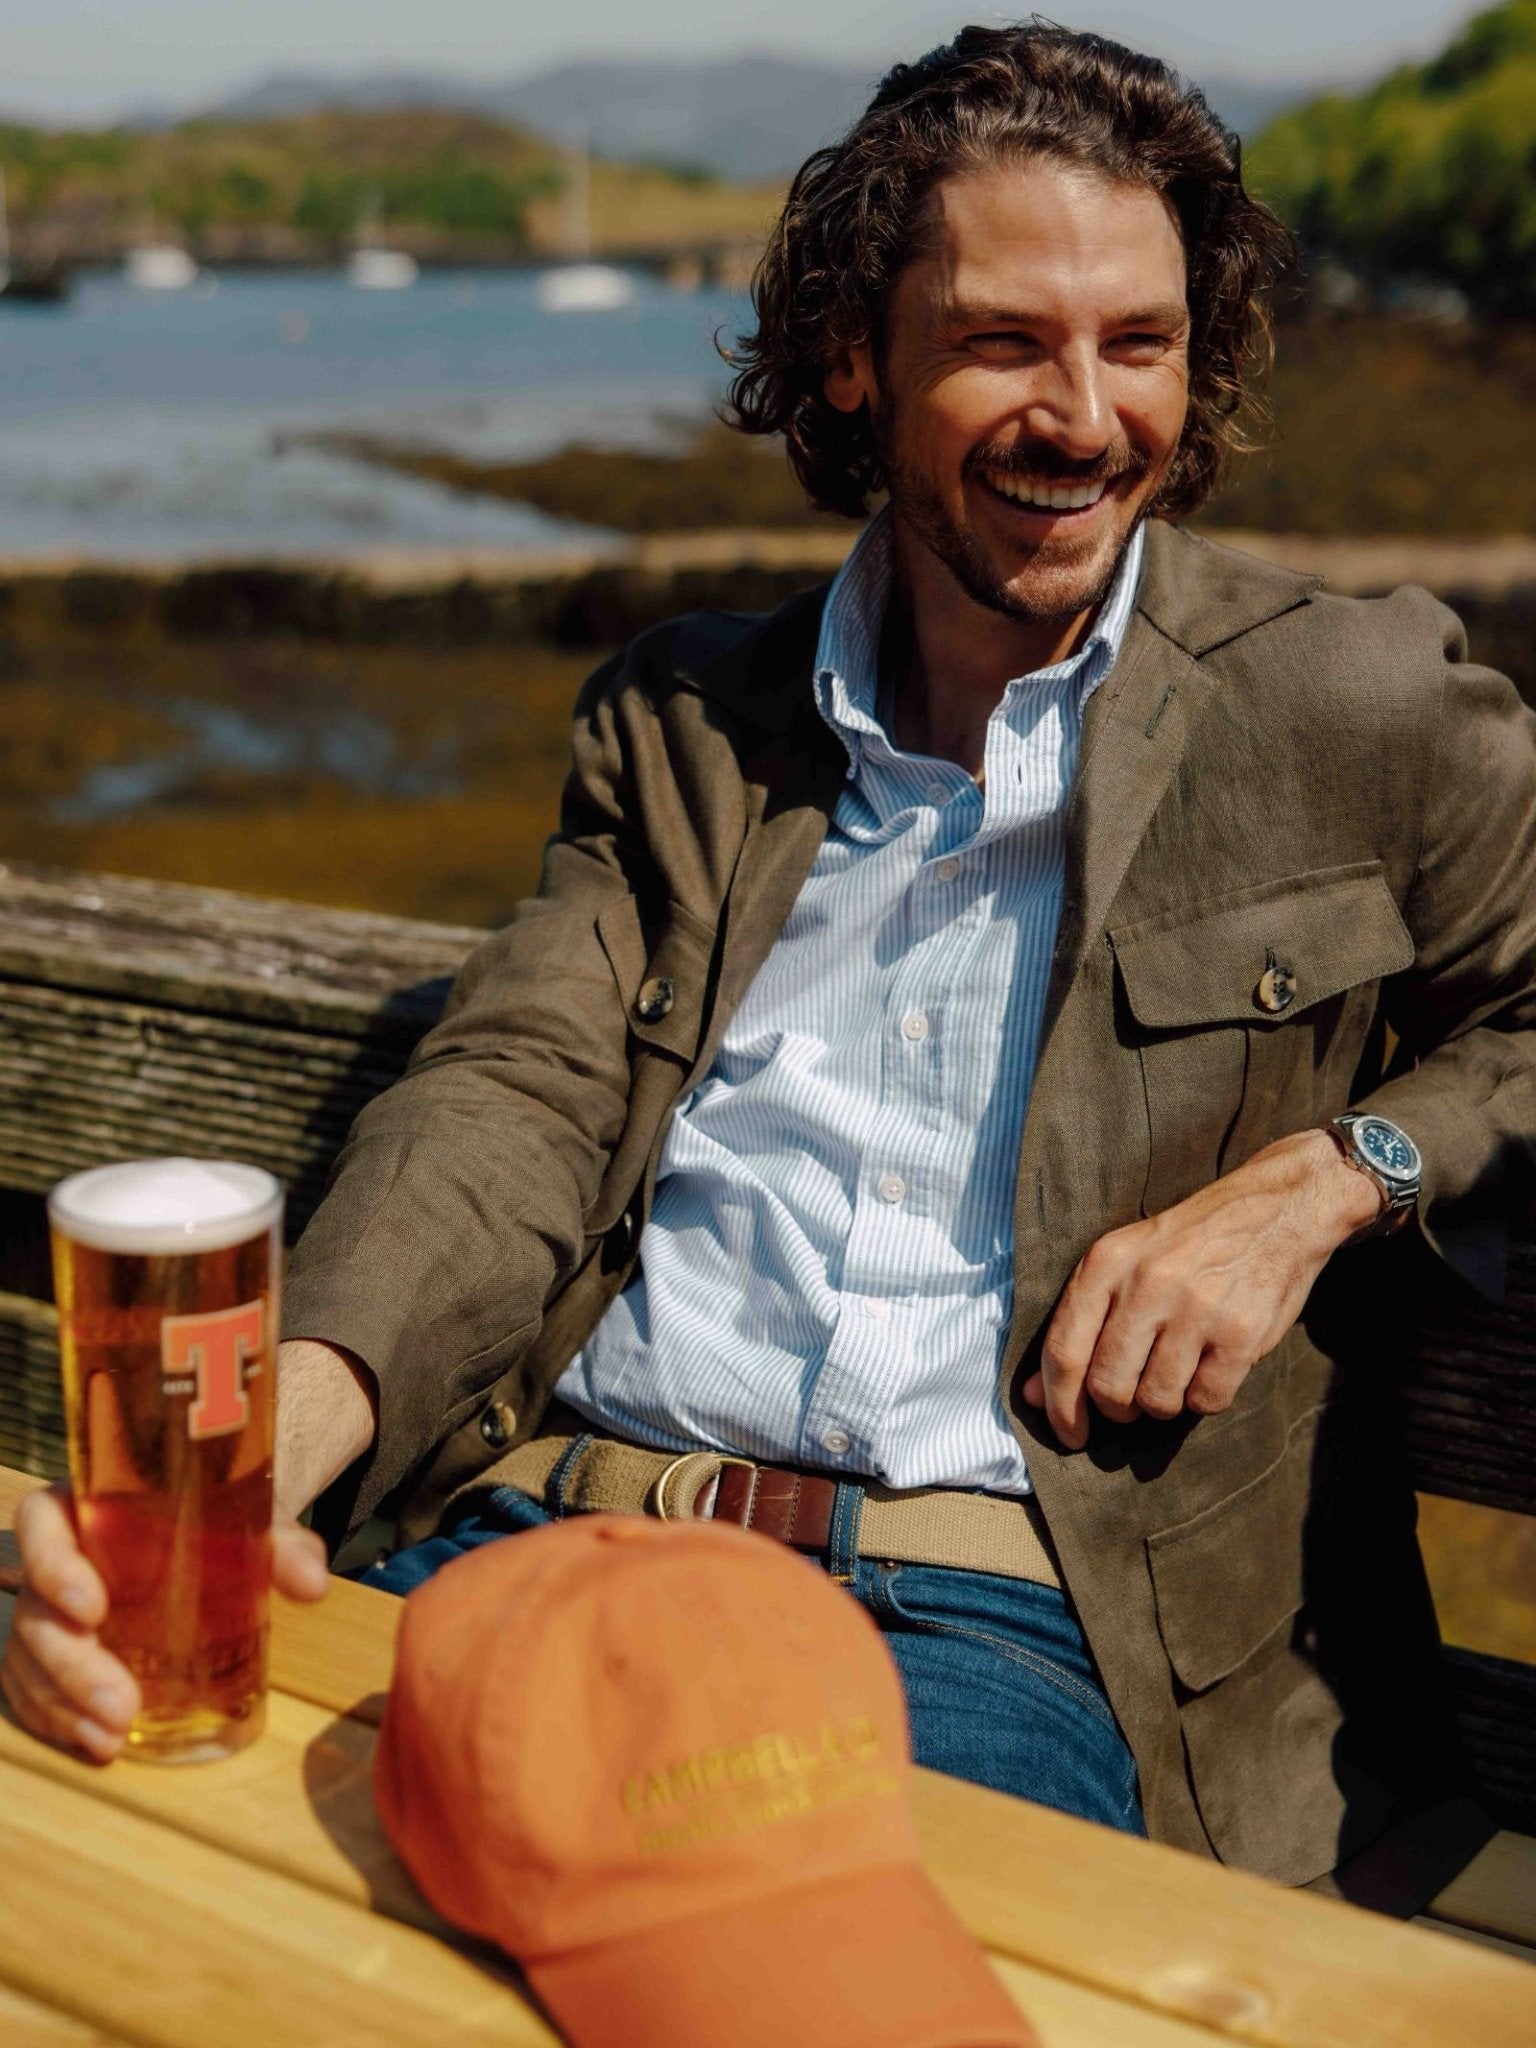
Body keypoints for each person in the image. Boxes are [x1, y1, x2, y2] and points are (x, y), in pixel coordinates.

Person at [9, 23, 1534, 1910]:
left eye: (1137, 344)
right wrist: (267, 1456)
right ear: (850, 355)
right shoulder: (682, 724)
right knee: (109, 1897)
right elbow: (514, 1104)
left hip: (1002, 1631)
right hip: (534, 1540)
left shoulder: (1352, 702)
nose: (1086, 415)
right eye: (1000, 342)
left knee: (746, 1963)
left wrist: (1333, 1181)